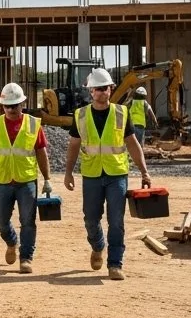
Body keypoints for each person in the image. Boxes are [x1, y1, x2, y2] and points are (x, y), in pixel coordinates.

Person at [63, 67, 151, 281]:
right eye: (97, 89)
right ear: (90, 91)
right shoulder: (80, 115)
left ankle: (115, 263)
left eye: (105, 88)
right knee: (91, 219)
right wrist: (68, 172)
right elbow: (74, 145)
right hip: (92, 174)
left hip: (116, 175)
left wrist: (144, 172)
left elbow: (133, 144)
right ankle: (97, 245)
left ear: (111, 89)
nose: (102, 92)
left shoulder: (122, 113)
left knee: (116, 220)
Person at [0, 83, 51, 273]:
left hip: (27, 181)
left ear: (22, 104)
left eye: (15, 105)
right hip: (3, 180)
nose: (11, 109)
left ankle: (26, 258)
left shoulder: (33, 124)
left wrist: (47, 179)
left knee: (28, 221)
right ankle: (11, 241)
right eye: (8, 106)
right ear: (2, 106)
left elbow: (41, 153)